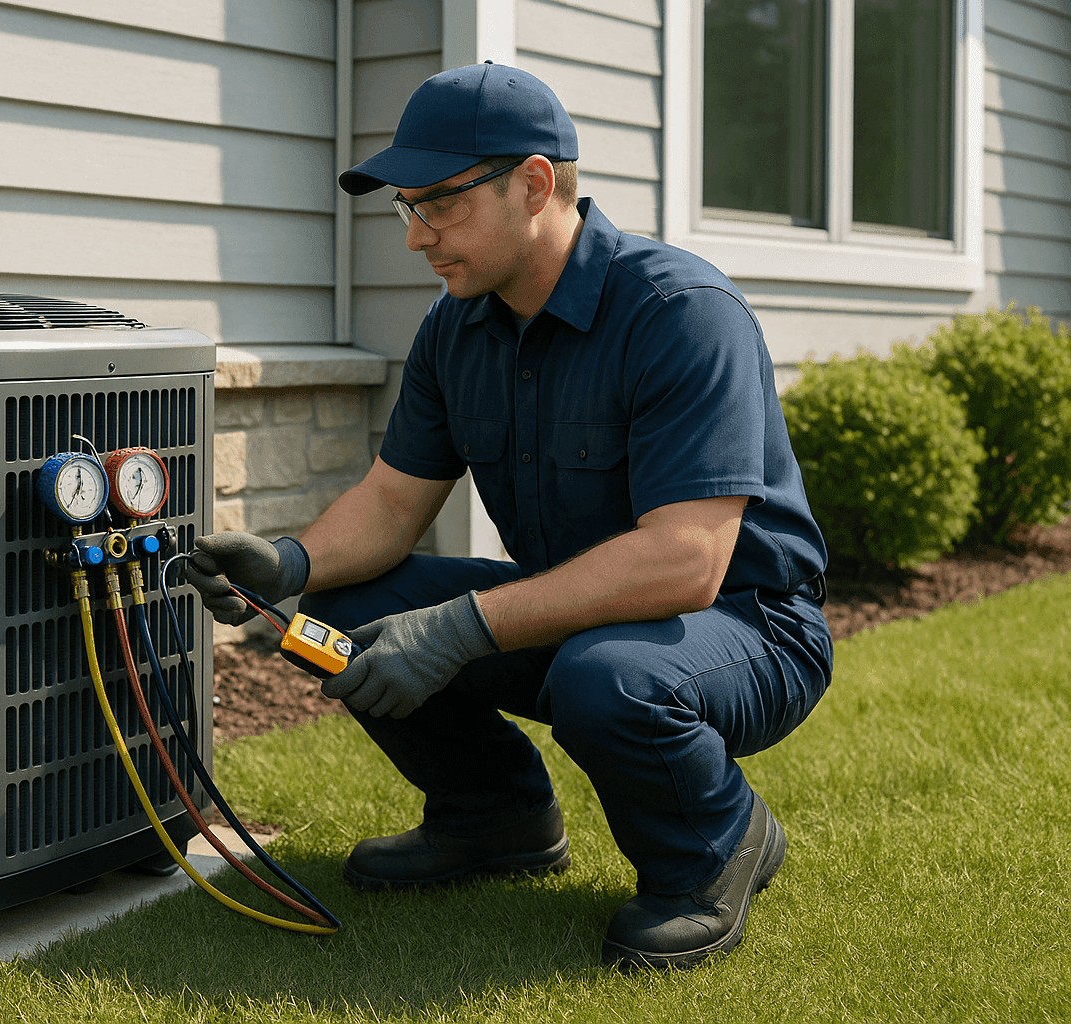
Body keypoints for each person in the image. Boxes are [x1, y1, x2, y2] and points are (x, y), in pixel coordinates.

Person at [187, 62, 833, 970]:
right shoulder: (456, 328)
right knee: (343, 617)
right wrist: (289, 565)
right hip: (579, 616)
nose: (416, 238)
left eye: (439, 205)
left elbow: (686, 562)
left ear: (534, 184)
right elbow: (390, 502)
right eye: (406, 208)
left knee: (606, 678)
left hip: (746, 623)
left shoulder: (681, 313)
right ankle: (495, 817)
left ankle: (715, 846)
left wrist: (459, 628)